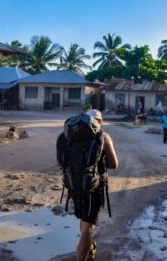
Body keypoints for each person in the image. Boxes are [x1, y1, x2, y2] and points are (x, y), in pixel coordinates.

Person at [59, 109, 119, 261]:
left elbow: (59, 162)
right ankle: (83, 255)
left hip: (73, 185)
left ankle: (89, 247)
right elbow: (114, 164)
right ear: (100, 122)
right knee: (87, 226)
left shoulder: (67, 137)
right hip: (94, 187)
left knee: (84, 220)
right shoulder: (104, 137)